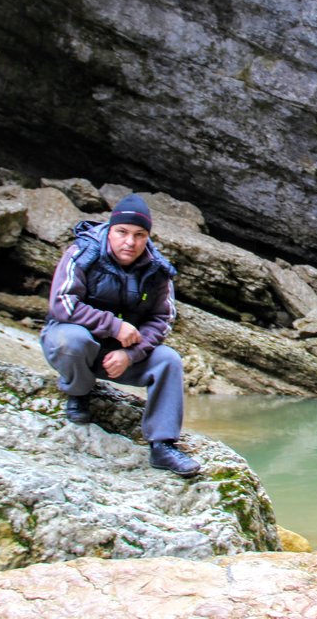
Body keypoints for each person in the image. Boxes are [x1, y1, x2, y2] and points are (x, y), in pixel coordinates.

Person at [40, 193, 200, 477]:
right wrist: (114, 326)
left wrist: (131, 355)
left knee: (168, 360)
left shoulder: (157, 270)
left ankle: (163, 445)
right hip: (75, 341)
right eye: (122, 232)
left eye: (139, 235)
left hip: (120, 354)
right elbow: (62, 304)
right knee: (73, 340)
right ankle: (79, 392)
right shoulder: (83, 252)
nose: (130, 242)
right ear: (110, 231)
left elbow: (163, 319)